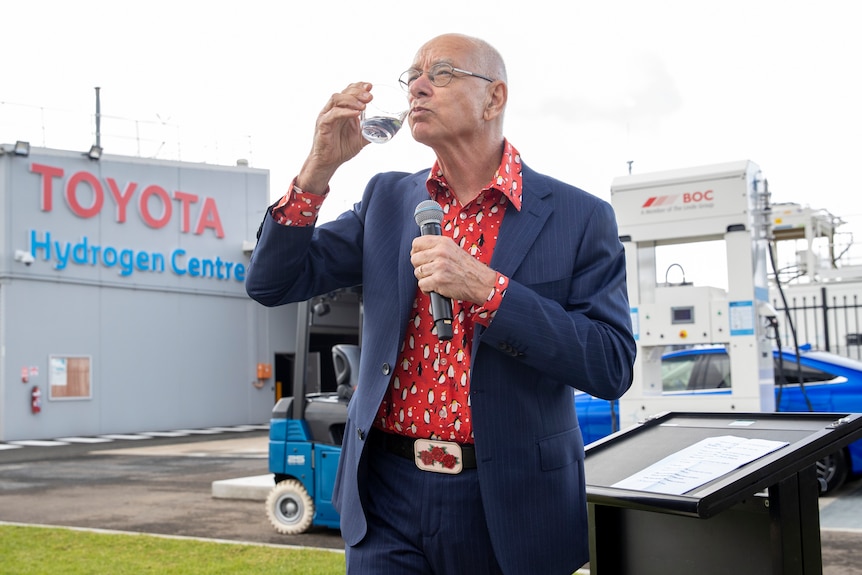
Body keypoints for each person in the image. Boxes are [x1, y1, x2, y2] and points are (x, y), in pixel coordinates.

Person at [246, 33, 636, 575]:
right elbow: (270, 283)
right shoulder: (387, 200)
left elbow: (610, 363)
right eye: (412, 77)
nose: (418, 88)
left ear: (494, 98)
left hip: (508, 504)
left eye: (443, 73)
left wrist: (490, 292)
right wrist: (317, 171)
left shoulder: (580, 217)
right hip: (386, 496)